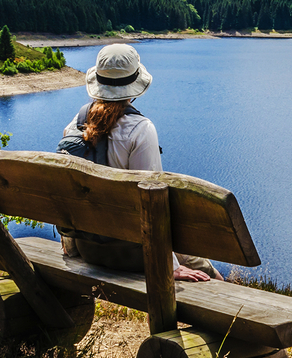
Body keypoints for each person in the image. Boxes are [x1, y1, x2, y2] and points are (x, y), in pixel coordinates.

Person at [58, 43, 222, 282]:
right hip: (131, 253)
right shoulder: (140, 129)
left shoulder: (76, 124)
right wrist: (171, 265)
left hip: (85, 247)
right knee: (210, 274)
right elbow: (154, 200)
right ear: (134, 87)